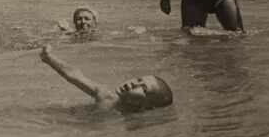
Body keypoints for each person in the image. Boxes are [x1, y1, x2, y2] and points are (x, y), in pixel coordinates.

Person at [39, 45, 173, 112]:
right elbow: (75, 76)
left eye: (142, 87)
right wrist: (49, 59)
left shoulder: (142, 122)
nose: (133, 83)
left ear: (148, 106)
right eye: (138, 79)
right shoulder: (108, 98)